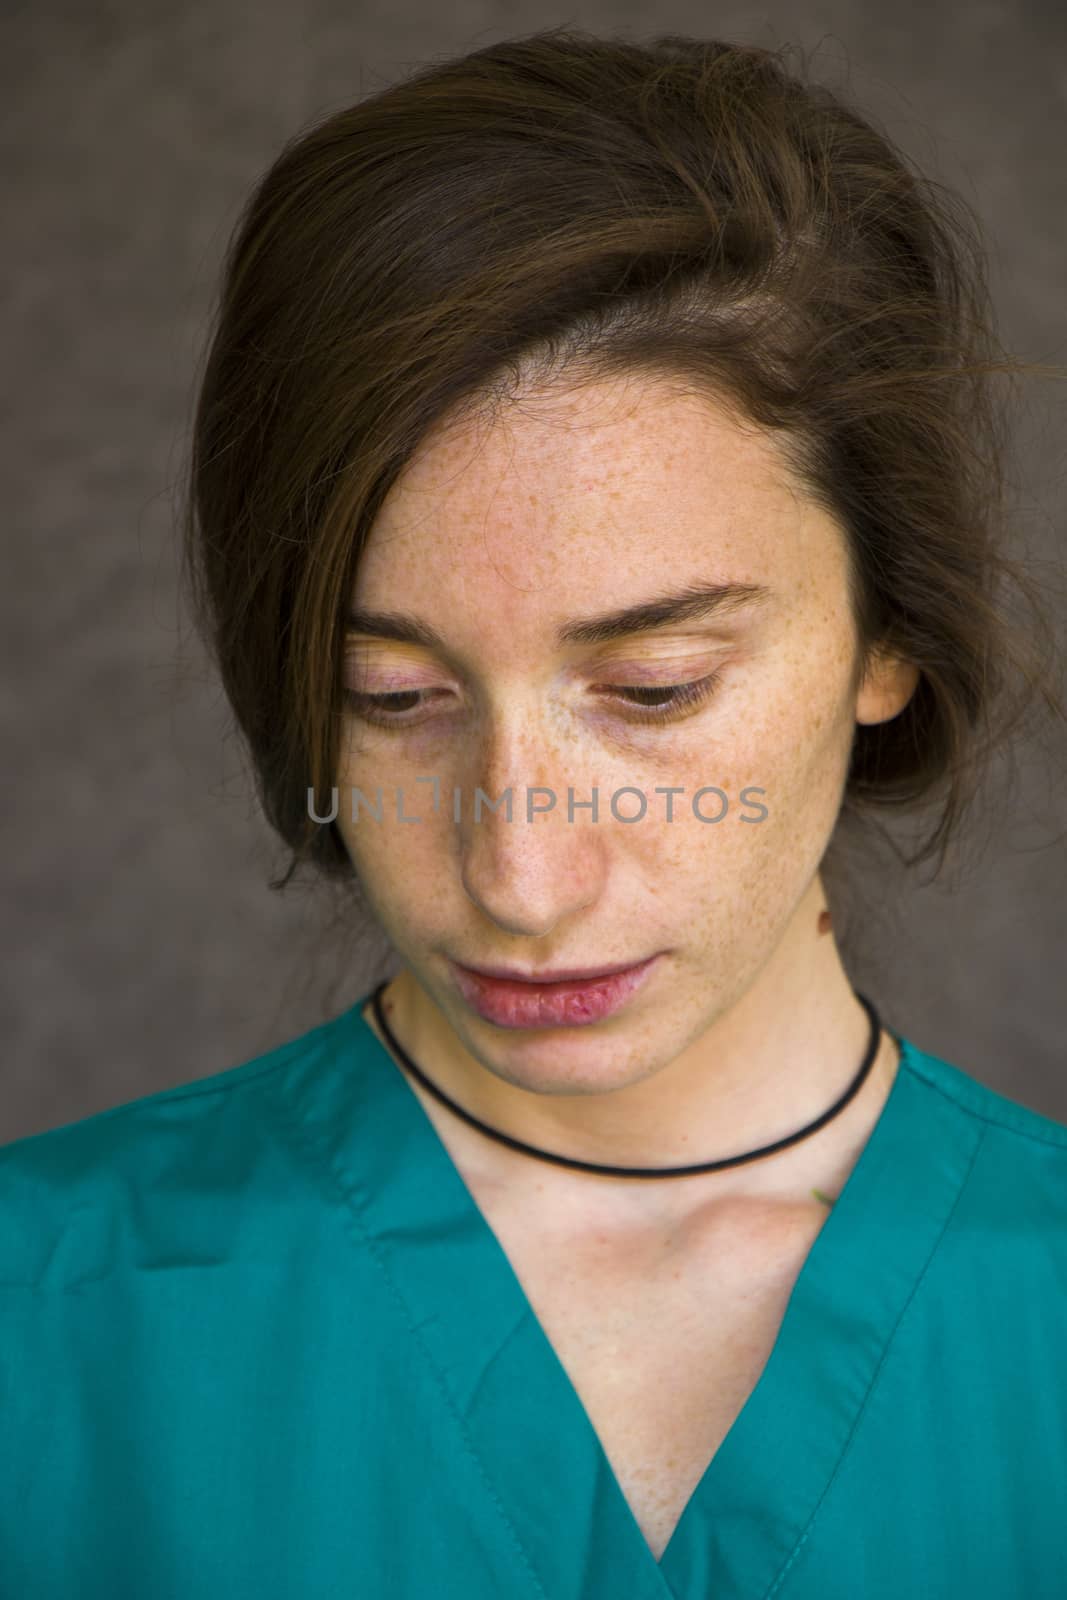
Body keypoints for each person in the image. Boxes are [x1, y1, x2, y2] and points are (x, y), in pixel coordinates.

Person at [2, 26, 1065, 1599]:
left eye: (651, 688)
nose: (516, 871)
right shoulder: (43, 1308)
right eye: (395, 700)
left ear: (889, 635)